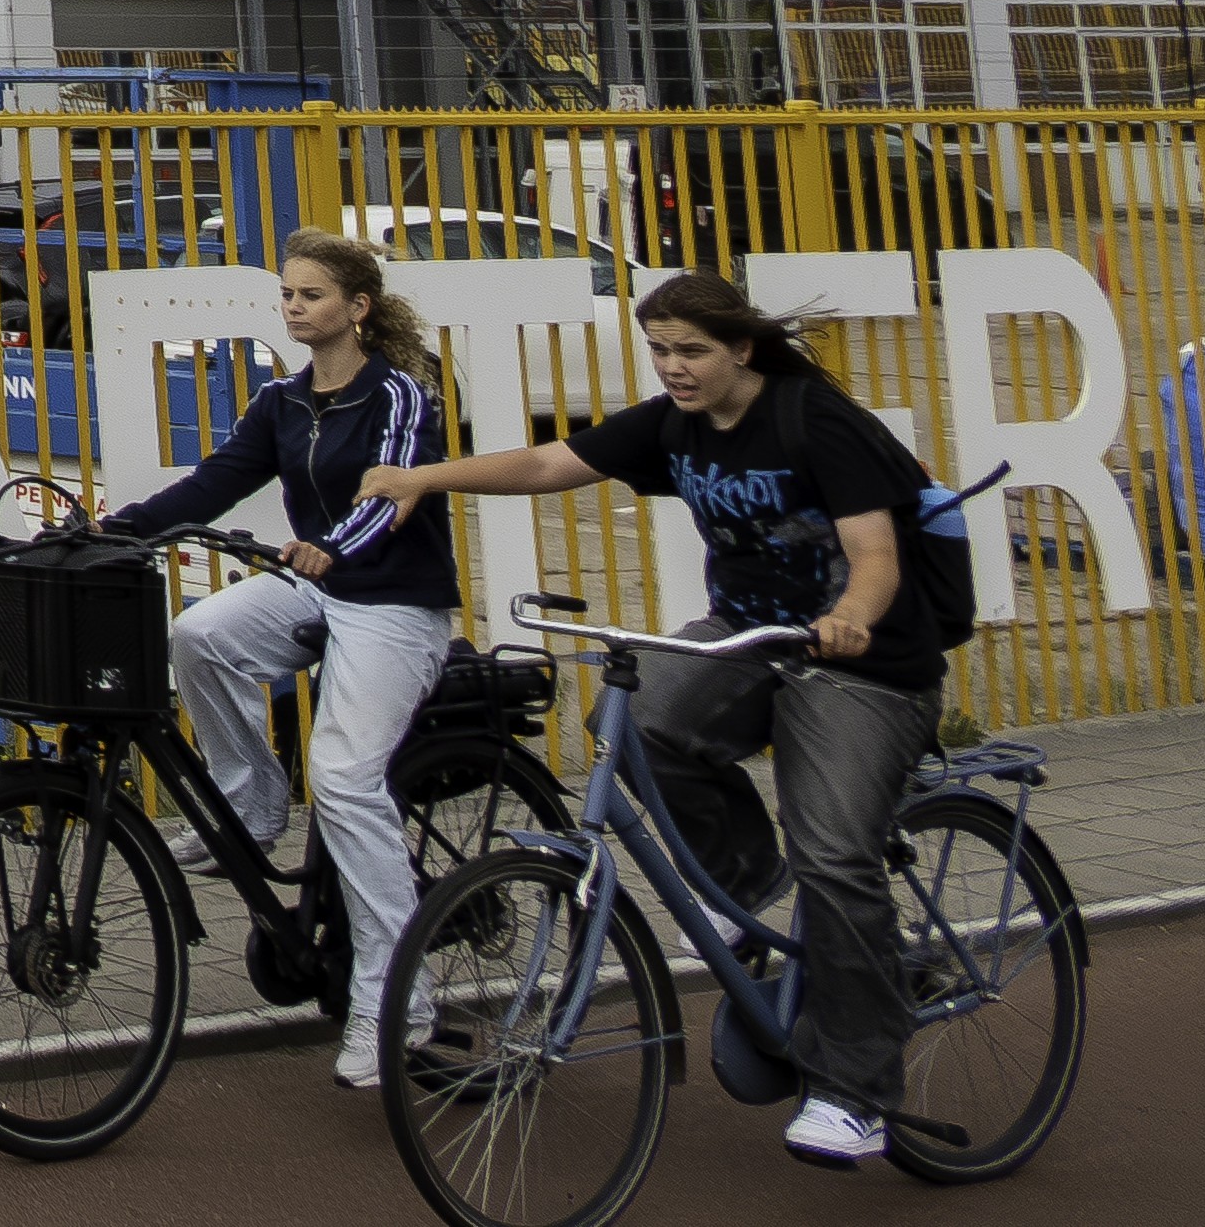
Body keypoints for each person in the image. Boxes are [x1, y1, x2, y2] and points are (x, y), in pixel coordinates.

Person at [365, 269, 951, 1171]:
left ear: (741, 349)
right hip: (751, 636)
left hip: (864, 664)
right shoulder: (674, 424)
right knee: (636, 722)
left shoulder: (818, 424)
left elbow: (874, 554)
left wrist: (852, 617)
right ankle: (746, 891)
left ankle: (857, 1092)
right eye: (660, 351)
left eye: (692, 351)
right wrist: (423, 476)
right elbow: (549, 463)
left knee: (834, 853)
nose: (673, 368)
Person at [96, 233, 456, 1088]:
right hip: (320, 587)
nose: (294, 308)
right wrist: (118, 528)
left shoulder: (399, 396)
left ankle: (397, 1000)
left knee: (342, 779)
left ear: (356, 309)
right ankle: (252, 805)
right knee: (200, 634)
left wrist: (334, 548)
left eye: (312, 296)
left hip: (395, 603)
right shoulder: (283, 403)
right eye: (288, 295)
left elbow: (394, 492)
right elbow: (213, 482)